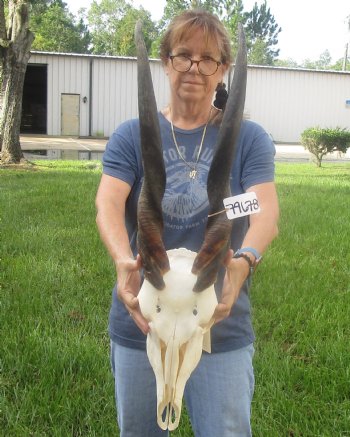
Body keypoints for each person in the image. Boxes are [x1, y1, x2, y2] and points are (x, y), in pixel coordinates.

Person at [95, 9, 279, 437]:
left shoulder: (249, 138)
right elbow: (108, 202)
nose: (195, 68)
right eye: (183, 56)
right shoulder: (132, 134)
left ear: (223, 69)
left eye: (208, 59)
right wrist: (124, 260)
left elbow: (262, 209)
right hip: (145, 318)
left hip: (218, 319)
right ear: (165, 62)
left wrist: (243, 260)